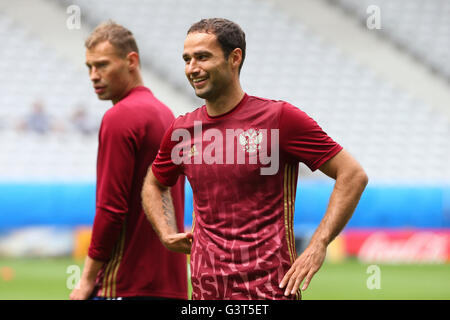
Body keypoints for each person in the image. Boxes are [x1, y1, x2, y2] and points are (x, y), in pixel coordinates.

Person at [141, 18, 368, 300]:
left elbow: (352, 174)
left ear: (234, 58)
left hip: (270, 292)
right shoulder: (183, 131)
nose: (192, 68)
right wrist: (165, 232)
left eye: (202, 57)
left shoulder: (279, 119)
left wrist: (318, 244)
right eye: (187, 59)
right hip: (206, 294)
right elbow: (154, 182)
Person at [70, 21, 187, 300]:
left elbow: (111, 208)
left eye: (102, 65)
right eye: (89, 68)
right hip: (170, 285)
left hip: (125, 283)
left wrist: (86, 280)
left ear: (131, 61)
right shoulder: (166, 115)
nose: (94, 75)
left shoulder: (120, 117)